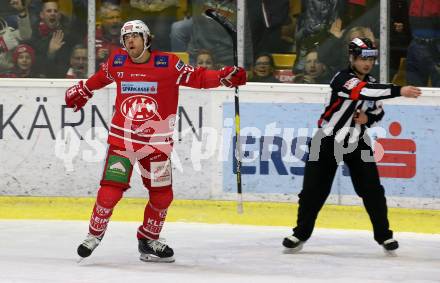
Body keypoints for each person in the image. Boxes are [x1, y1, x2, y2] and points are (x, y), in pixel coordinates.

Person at [65, 19, 246, 263]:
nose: (130, 40)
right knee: (109, 192)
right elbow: (100, 78)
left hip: (156, 144)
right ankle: (93, 235)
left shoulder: (168, 64)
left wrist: (225, 76)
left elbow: (200, 78)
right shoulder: (117, 62)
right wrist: (84, 90)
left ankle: (148, 239)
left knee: (162, 196)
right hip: (123, 141)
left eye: (135, 36)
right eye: (126, 37)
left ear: (147, 39)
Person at [282, 38, 421, 255]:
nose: (367, 63)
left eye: (371, 58)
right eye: (363, 58)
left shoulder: (373, 83)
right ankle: (300, 233)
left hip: (358, 142)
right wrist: (399, 90)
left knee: (373, 190)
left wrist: (368, 119)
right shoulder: (341, 79)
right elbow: (363, 91)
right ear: (352, 58)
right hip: (326, 141)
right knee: (312, 192)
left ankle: (384, 236)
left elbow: (378, 111)